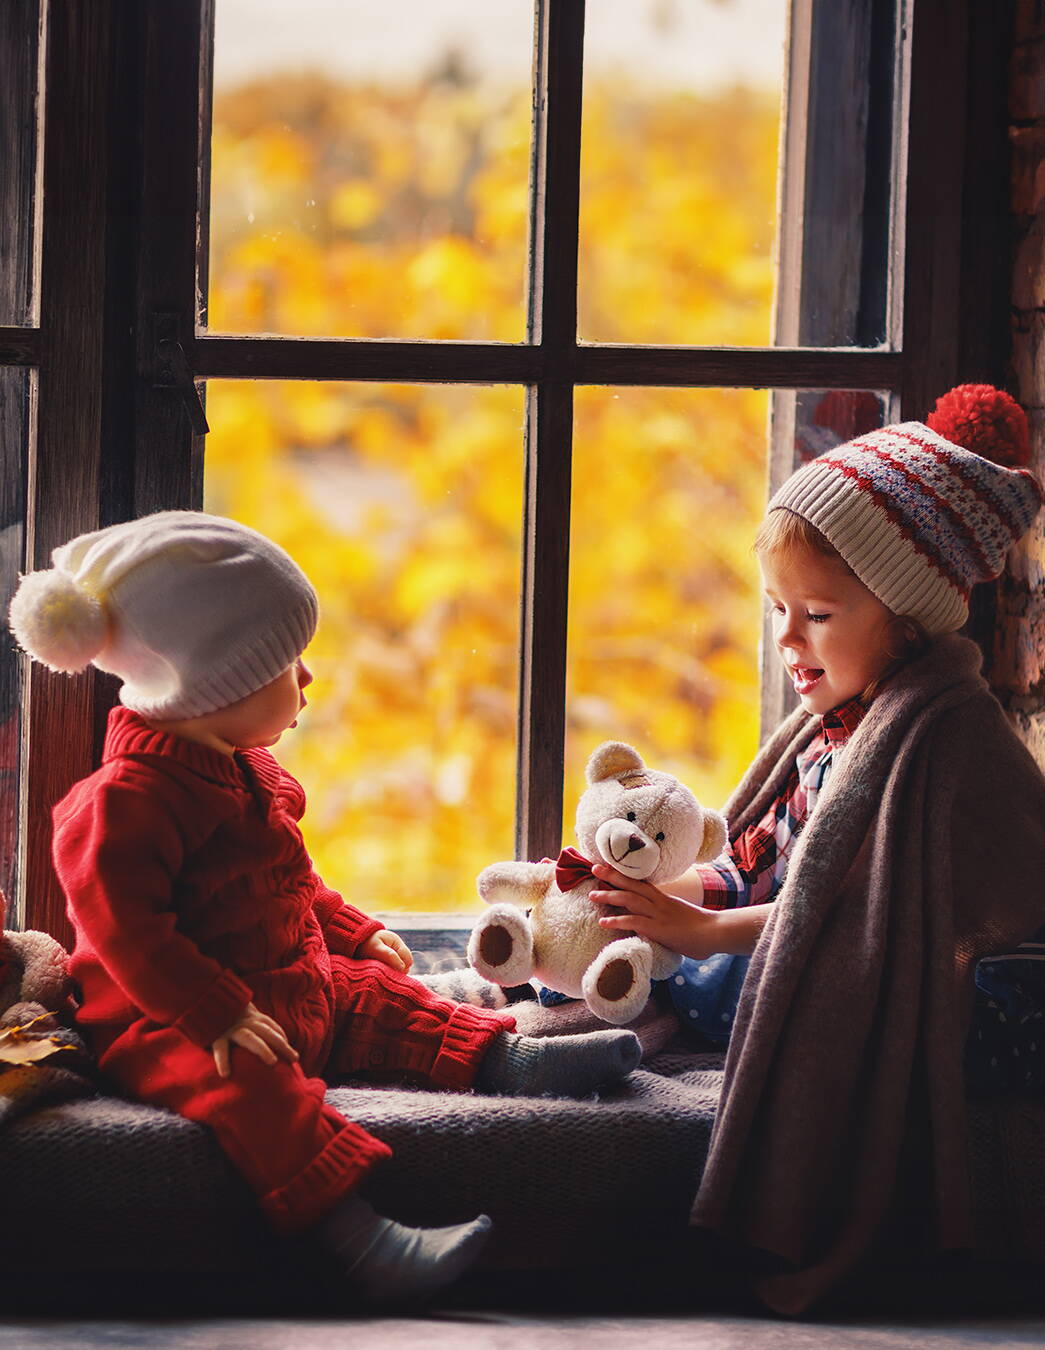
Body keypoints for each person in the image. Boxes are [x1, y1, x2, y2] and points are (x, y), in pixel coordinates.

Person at [7, 511, 642, 1307]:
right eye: (286, 664)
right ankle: (358, 1238)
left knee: (377, 996)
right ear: (213, 687)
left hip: (284, 985)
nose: (307, 679)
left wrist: (352, 930)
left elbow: (291, 879)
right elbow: (124, 931)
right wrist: (213, 1013)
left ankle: (507, 1059)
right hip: (170, 1022)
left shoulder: (242, 768)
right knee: (253, 1089)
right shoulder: (127, 801)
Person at [583, 383, 1045, 1309]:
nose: (789, 639)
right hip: (807, 944)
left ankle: (597, 990)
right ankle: (552, 978)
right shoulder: (840, 726)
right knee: (625, 926)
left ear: (906, 617)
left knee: (703, 972)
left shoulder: (941, 736)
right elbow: (772, 858)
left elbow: (851, 920)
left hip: (958, 1006)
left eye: (818, 616)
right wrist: (683, 894)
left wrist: (704, 934)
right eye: (776, 611)